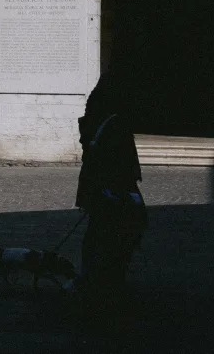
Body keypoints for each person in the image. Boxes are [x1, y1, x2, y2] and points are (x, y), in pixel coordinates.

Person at [74, 77, 146, 320]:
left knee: (98, 235)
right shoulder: (115, 125)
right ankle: (105, 286)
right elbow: (119, 164)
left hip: (99, 188)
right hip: (111, 190)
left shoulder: (97, 120)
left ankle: (96, 282)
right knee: (113, 236)